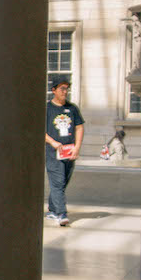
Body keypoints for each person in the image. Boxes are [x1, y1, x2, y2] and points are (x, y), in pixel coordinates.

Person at [45, 78, 84, 226]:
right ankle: (62, 214)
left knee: (62, 182)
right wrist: (53, 142)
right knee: (58, 182)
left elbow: (79, 127)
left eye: (66, 88)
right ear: (53, 90)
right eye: (62, 88)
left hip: (69, 151)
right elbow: (39, 129)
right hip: (53, 152)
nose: (65, 92)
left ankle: (53, 210)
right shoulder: (47, 109)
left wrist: (77, 147)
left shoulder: (72, 109)